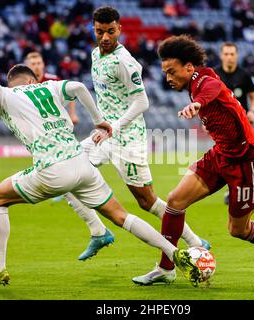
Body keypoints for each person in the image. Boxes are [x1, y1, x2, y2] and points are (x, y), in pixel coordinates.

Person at [0, 65, 196, 286]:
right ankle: (176, 253)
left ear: (14, 82)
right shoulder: (50, 86)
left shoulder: (6, 95)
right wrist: (99, 121)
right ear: (32, 79)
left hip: (51, 170)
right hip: (82, 164)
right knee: (122, 216)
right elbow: (80, 87)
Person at [134, 35, 254, 287]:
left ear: (189, 68)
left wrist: (198, 104)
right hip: (221, 155)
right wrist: (197, 102)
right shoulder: (198, 79)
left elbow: (212, 88)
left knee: (238, 231)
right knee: (174, 201)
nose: (167, 78)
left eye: (172, 71)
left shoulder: (205, 82)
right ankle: (166, 267)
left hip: (248, 163)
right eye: (165, 72)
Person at [62, 6, 210, 269]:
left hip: (127, 138)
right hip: (104, 135)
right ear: (93, 30)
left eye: (110, 31)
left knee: (147, 201)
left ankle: (195, 241)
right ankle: (98, 232)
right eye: (99, 32)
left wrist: (115, 126)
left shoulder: (125, 62)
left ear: (119, 29)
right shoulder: (96, 54)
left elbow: (142, 102)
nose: (105, 37)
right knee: (66, 170)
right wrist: (103, 125)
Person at [215, 42, 254, 205]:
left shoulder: (245, 75)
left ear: (237, 56)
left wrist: (253, 112)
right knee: (227, 159)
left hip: (243, 125)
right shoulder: (214, 75)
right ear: (221, 56)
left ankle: (241, 189)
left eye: (232, 54)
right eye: (226, 54)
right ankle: (233, 189)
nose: (229, 57)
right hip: (222, 126)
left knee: (245, 158)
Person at [25, 51, 79, 125]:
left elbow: (70, 93)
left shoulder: (53, 80)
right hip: (34, 121)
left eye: (39, 63)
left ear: (43, 64)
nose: (36, 66)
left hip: (55, 120)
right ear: (27, 66)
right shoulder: (23, 84)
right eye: (33, 64)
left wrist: (72, 114)